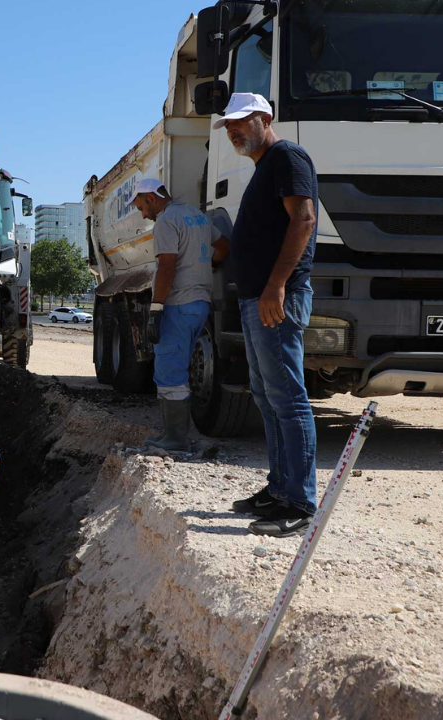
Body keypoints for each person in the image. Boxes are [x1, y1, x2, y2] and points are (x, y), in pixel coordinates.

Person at [216, 92, 320, 538]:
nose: (233, 130)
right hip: (256, 296)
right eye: (229, 125)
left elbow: (304, 220)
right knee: (266, 395)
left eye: (241, 121)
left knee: (288, 399)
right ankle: (279, 489)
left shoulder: (287, 156)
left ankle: (299, 501)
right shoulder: (264, 166)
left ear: (265, 118)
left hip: (277, 297)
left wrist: (276, 285)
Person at [128, 177, 230, 453]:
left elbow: (167, 267)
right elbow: (223, 247)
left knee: (170, 369)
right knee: (178, 366)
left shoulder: (166, 221)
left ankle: (176, 439)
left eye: (141, 206)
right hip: (199, 304)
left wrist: (156, 308)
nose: (142, 213)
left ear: (151, 197)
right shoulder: (194, 215)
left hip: (178, 303)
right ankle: (172, 435)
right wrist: (204, 267)